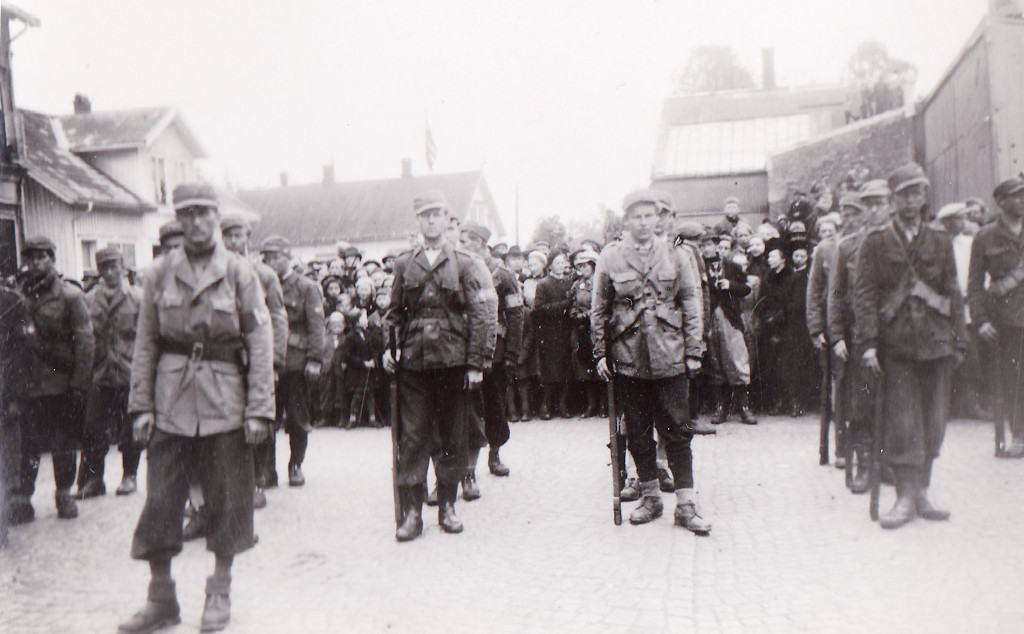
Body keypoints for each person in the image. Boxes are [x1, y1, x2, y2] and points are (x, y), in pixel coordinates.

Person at [119, 183, 275, 632]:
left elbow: (260, 342)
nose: (197, 222)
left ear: (216, 215)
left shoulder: (240, 272)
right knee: (162, 501)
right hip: (170, 402)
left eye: (204, 213)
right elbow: (145, 343)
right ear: (178, 220)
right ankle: (161, 599)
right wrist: (141, 406)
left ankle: (219, 592)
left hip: (226, 401)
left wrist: (259, 409)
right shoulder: (159, 273)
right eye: (187, 214)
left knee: (227, 500)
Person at [591, 189, 713, 534]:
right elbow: (599, 308)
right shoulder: (611, 257)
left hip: (671, 354)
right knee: (639, 433)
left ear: (658, 219)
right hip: (628, 357)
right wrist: (600, 352)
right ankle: (650, 497)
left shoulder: (677, 255)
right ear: (626, 220)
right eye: (637, 217)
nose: (644, 223)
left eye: (650, 216)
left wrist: (693, 352)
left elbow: (691, 301)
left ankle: (686, 505)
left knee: (678, 431)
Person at [853, 163, 965, 529]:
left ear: (924, 197)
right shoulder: (876, 241)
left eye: (918, 193)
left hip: (936, 343)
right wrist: (868, 343)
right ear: (893, 200)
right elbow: (865, 295)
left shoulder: (940, 240)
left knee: (934, 422)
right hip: (896, 345)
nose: (912, 200)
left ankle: (922, 492)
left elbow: (952, 291)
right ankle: (903, 495)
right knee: (903, 423)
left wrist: (959, 338)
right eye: (904, 194)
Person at [383, 191, 497, 542]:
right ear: (417, 221)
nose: (431, 221)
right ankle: (414, 513)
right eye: (425, 216)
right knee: (414, 436)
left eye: (437, 215)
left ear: (448, 220)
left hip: (452, 361)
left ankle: (447, 506)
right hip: (414, 363)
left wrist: (477, 362)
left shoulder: (465, 262)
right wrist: (389, 347)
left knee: (452, 434)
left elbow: (482, 313)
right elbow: (394, 312)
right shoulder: (404, 263)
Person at [8, 237, 94, 524]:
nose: (35, 263)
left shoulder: (70, 296)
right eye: (30, 258)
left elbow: (85, 342)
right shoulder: (18, 295)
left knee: (63, 442)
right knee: (29, 445)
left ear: (52, 259)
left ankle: (64, 494)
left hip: (60, 383)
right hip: (28, 385)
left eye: (41, 257)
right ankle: (23, 498)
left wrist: (79, 384)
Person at [221, 214, 288, 509]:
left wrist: (273, 362)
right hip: (225, 358)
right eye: (229, 236)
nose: (234, 241)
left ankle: (259, 479)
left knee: (259, 418)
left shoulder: (264, 274)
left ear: (248, 239)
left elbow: (277, 318)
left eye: (239, 236)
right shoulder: (215, 272)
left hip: (255, 358)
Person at [75, 247, 144, 500]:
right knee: (93, 427)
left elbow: (146, 337)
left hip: (129, 370)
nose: (111, 272)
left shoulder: (138, 297)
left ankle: (129, 476)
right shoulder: (90, 299)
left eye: (115, 266)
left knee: (130, 427)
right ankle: (94, 480)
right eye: (105, 267)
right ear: (100, 270)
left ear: (123, 268)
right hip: (101, 372)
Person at [459, 221, 523, 486]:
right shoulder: (460, 268)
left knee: (495, 406)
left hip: (496, 354)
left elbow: (516, 316)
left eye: (464, 242)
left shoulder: (503, 275)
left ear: (477, 242)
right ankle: (467, 467)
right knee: (468, 409)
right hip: (467, 350)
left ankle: (495, 453)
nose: (460, 246)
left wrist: (511, 355)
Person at [828, 189, 881, 493]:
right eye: (863, 210)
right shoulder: (846, 247)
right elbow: (835, 295)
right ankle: (862, 464)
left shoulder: (892, 242)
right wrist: (837, 335)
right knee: (861, 403)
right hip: (857, 335)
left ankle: (886, 463)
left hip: (890, 336)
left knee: (891, 401)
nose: (862, 217)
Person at [260, 235, 325, 488]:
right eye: (268, 258)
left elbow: (317, 327)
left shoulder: (306, 287)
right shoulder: (260, 285)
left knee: (298, 419)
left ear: (289, 258)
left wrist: (315, 360)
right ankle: (267, 470)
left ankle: (295, 465)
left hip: (297, 363)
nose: (272, 262)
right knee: (267, 418)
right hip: (269, 362)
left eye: (277, 257)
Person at [968, 176, 1024, 456]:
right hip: (1007, 320)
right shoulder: (985, 237)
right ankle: (1020, 435)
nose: (1022, 199)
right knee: (1013, 379)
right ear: (1000, 202)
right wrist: (980, 321)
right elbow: (974, 284)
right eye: (1016, 196)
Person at [1, 281, 38, 543]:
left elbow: (25, 351)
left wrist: (17, 396)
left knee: (6, 462)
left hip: (6, 392)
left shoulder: (12, 302)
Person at [533, 250, 573, 419]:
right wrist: (564, 305)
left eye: (563, 262)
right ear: (550, 267)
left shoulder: (569, 282)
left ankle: (563, 405)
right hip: (549, 333)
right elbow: (540, 308)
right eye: (557, 262)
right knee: (550, 371)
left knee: (565, 369)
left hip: (566, 331)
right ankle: (546, 406)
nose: (561, 265)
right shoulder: (543, 284)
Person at [568, 249, 601, 417]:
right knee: (583, 366)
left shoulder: (600, 282)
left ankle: (603, 405)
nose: (582, 268)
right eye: (580, 265)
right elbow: (573, 303)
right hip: (580, 329)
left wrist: (587, 315)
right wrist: (575, 314)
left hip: (596, 328)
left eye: (585, 265)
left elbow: (600, 305)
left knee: (598, 364)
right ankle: (591, 404)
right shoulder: (577, 285)